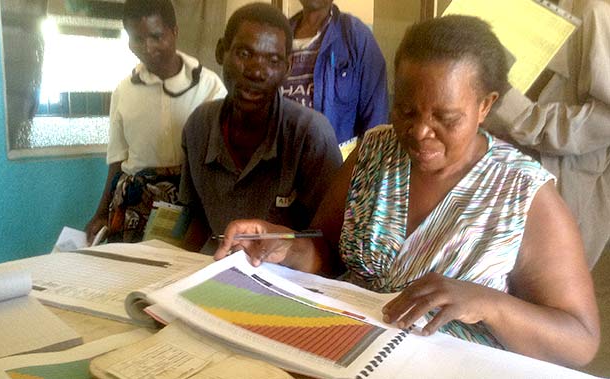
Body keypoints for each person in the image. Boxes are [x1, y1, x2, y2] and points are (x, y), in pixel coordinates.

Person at [215, 15, 600, 368]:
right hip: (338, 355)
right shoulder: (375, 152)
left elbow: (580, 340)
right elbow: (327, 250)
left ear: (485, 106)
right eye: (405, 110)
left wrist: (489, 304)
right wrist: (287, 245)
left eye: (445, 118)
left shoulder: (522, 193)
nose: (419, 133)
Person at [179, 3, 342, 253]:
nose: (256, 71)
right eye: (244, 54)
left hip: (288, 279)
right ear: (222, 51)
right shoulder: (198, 127)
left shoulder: (310, 135)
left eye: (273, 60)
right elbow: (197, 218)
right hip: (217, 268)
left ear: (287, 68)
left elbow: (328, 243)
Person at [85, 0, 226, 244]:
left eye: (156, 36)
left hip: (190, 204)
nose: (147, 47)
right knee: (128, 278)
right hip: (133, 205)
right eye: (137, 39)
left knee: (180, 278)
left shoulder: (209, 86)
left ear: (175, 32)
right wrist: (99, 214)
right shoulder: (124, 90)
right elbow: (117, 161)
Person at [484, 0, 610, 268]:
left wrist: (521, 115)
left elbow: (603, 121)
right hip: (500, 163)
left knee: (548, 287)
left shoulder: (595, 12)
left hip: (567, 179)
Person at [281, 0, 388, 156]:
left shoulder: (356, 36)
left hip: (335, 170)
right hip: (281, 166)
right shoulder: (280, 36)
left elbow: (376, 124)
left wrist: (365, 173)